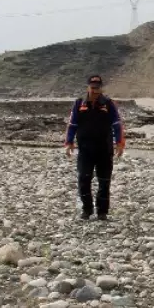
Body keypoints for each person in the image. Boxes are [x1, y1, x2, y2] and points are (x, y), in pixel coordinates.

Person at [65, 74, 125, 220]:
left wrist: (119, 143)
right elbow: (72, 124)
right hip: (85, 150)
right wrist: (69, 142)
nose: (95, 91)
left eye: (97, 89)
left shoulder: (108, 104)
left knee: (104, 181)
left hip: (104, 149)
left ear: (101, 88)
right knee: (84, 179)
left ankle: (102, 212)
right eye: (92, 88)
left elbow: (117, 124)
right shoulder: (79, 103)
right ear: (88, 87)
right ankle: (87, 209)